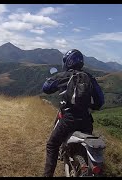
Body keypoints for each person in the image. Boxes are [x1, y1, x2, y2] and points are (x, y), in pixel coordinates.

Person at [42, 49, 105, 177]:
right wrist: (90, 105)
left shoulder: (63, 75)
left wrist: (53, 78)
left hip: (68, 119)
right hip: (86, 120)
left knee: (52, 145)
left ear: (68, 62)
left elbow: (46, 88)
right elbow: (100, 101)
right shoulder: (89, 77)